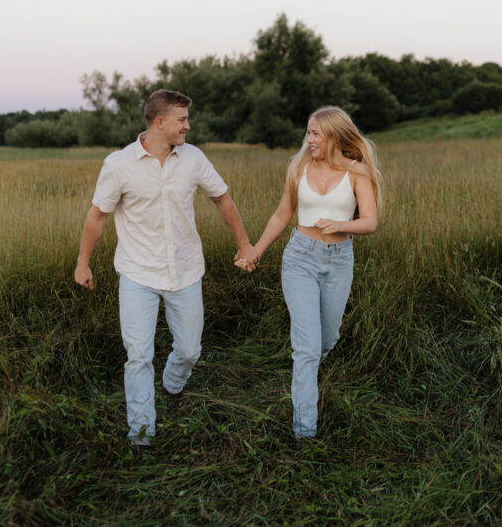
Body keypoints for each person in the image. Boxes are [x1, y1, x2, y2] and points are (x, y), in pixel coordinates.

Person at [75, 89, 258, 451]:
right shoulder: (119, 164)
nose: (188, 126)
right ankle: (141, 434)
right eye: (182, 120)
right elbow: (98, 216)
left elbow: (221, 199)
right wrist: (83, 263)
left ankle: (173, 385)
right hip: (137, 273)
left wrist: (244, 243)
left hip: (186, 271)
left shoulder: (193, 159)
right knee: (138, 355)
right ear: (159, 122)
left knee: (190, 350)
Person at [241, 106, 382, 441]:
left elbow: (371, 221)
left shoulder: (357, 172)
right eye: (308, 132)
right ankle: (304, 431)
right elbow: (282, 214)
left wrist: (340, 224)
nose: (309, 139)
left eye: (316, 133)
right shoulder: (298, 166)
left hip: (338, 260)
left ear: (334, 135)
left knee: (327, 338)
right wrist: (255, 251)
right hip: (300, 258)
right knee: (306, 348)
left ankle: (306, 376)